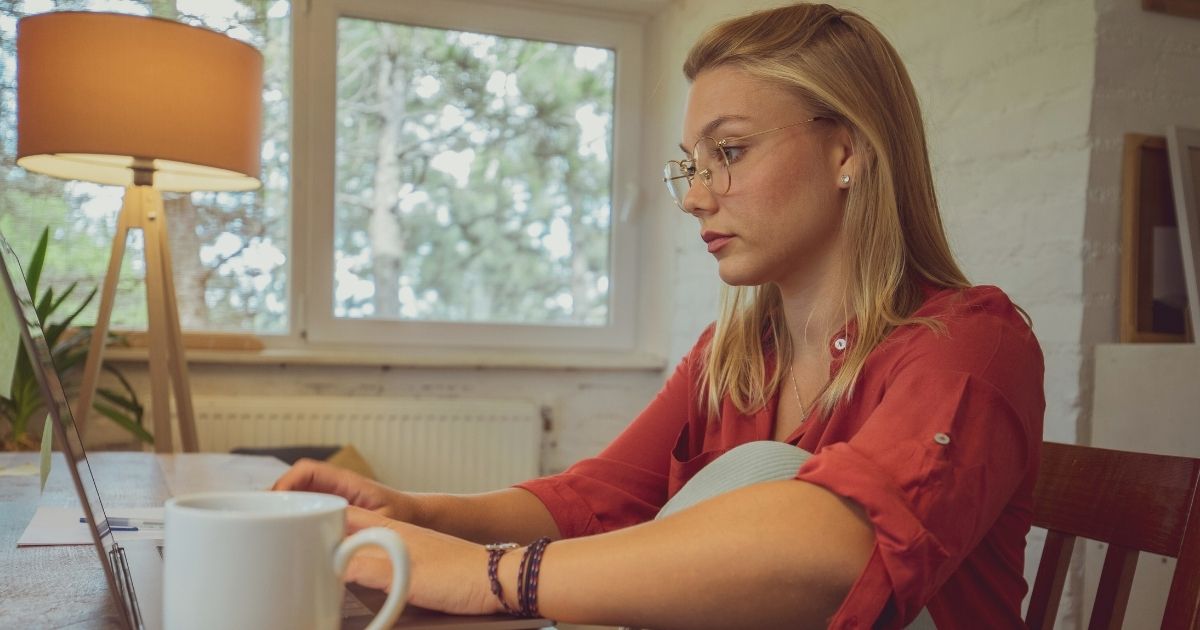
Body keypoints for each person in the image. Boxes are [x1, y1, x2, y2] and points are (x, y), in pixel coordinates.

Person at [272, 3, 1046, 628]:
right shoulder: (735, 357)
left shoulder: (974, 343)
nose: (693, 197)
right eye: (690, 165)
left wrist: (492, 576)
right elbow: (597, 497)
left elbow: (835, 548)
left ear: (845, 151)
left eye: (730, 152)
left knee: (768, 480)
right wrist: (418, 511)